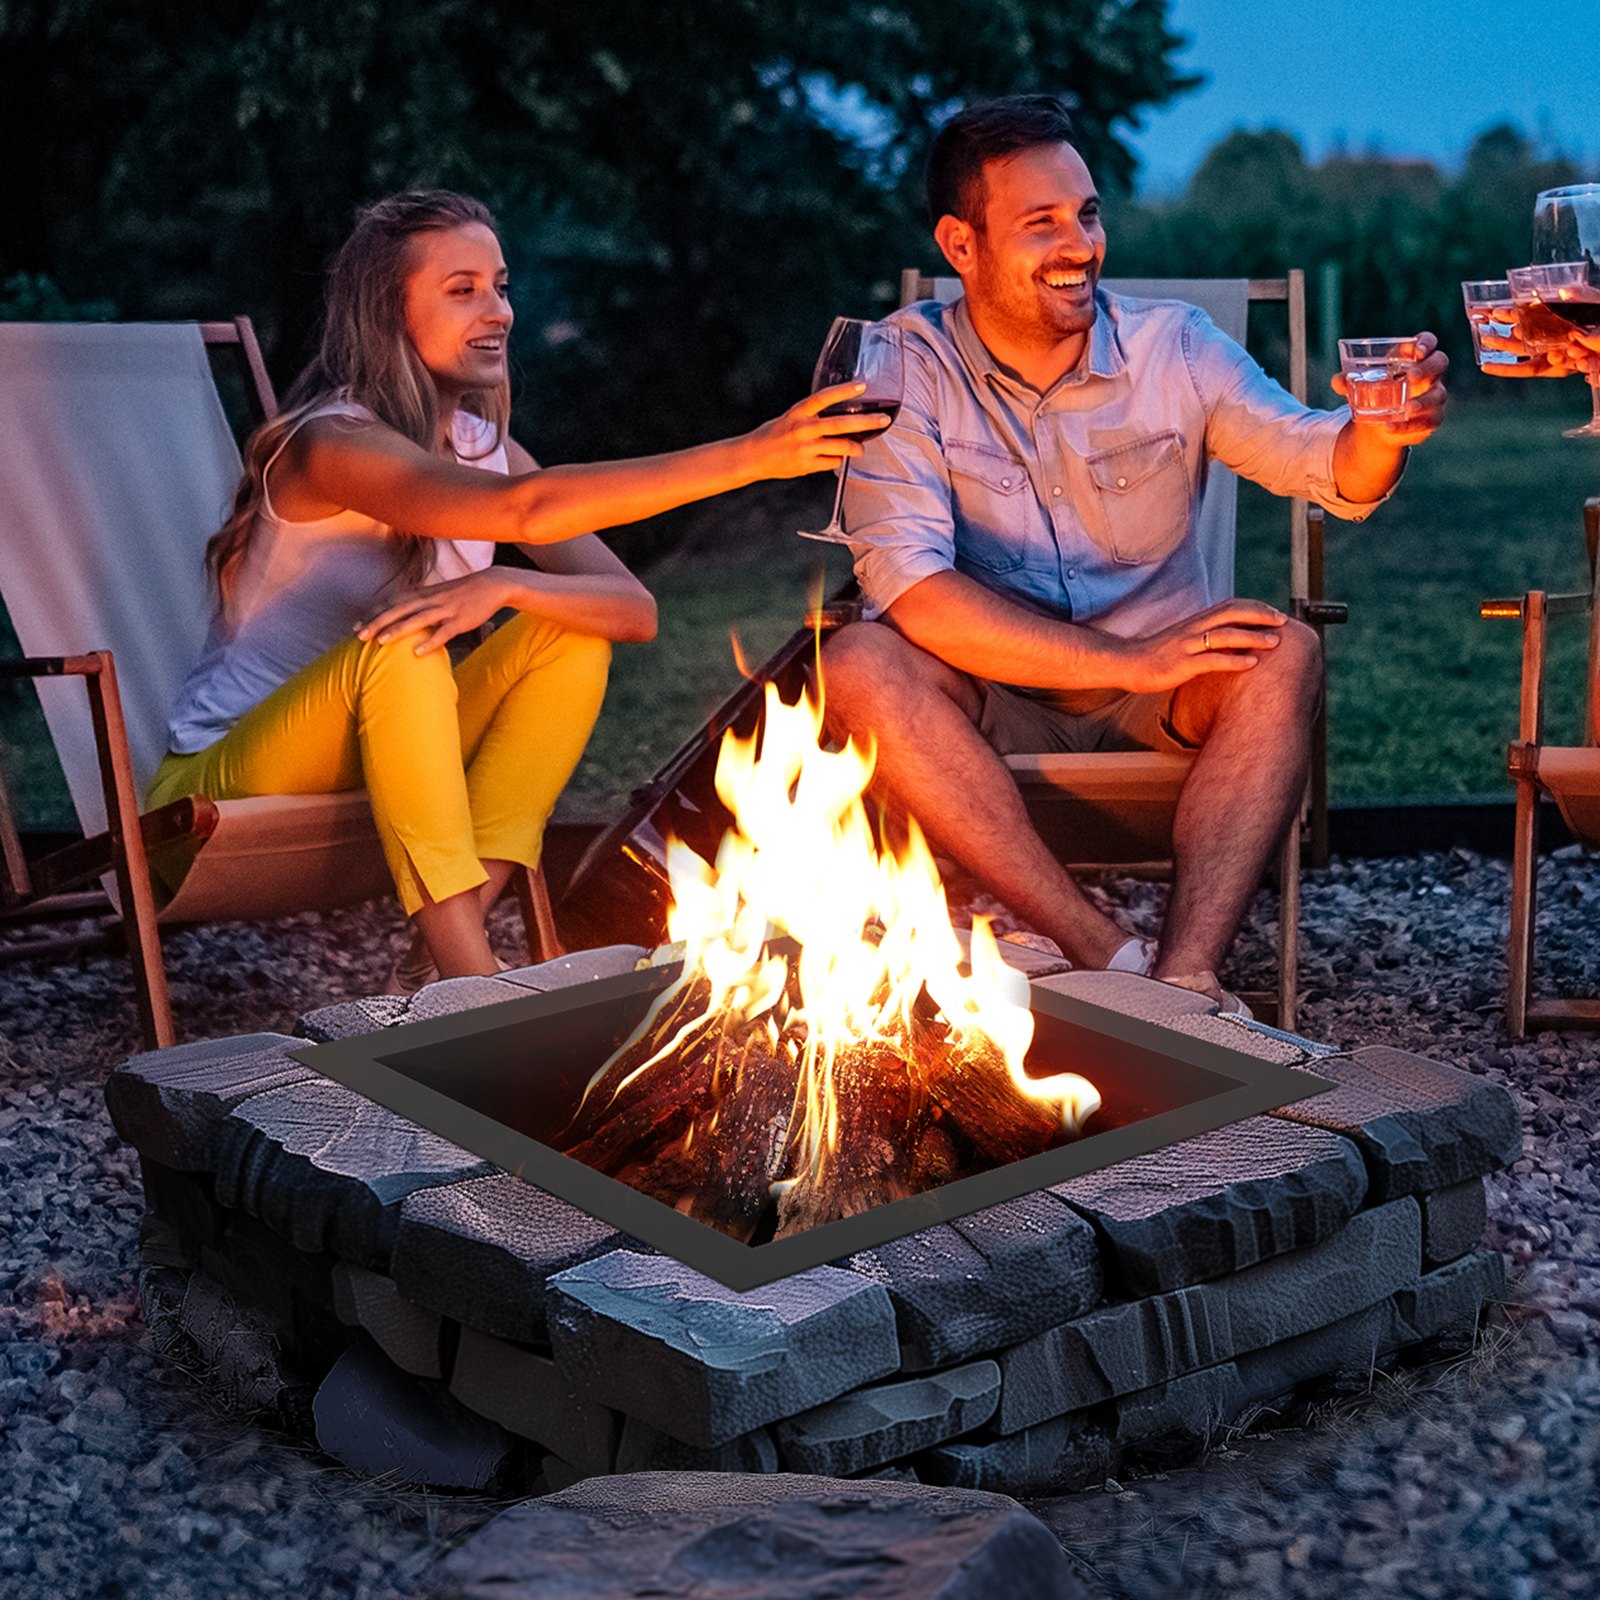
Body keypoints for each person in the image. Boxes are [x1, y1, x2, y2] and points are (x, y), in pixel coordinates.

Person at [150, 190, 886, 991]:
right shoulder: (331, 443)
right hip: (223, 786)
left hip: (380, 759)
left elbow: (631, 611)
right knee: (405, 647)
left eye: (500, 285)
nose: (497, 309)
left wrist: (506, 584)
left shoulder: (483, 446)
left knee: (568, 634)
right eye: (461, 289)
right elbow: (523, 513)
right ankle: (477, 983)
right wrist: (751, 454)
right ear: (385, 313)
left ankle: (448, 952)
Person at [822, 97, 1448, 1009]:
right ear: (961, 246)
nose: (1081, 244)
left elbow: (1320, 458)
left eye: (1089, 213)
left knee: (1286, 652)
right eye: (1042, 224)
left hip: (1163, 702)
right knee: (859, 661)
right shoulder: (899, 367)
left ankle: (1186, 974)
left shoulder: (1173, 346)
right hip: (988, 700)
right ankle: (1105, 956)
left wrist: (1384, 431)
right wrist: (1124, 655)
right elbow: (915, 594)